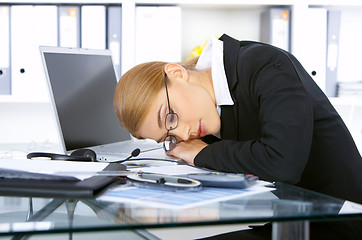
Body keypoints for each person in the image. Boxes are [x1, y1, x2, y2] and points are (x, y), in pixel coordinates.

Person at [114, 34, 361, 239]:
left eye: (169, 118)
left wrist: (201, 153)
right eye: (168, 137)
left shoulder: (265, 66)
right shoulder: (210, 108)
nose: (182, 134)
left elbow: (283, 162)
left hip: (339, 224)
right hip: (291, 221)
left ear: (177, 73)